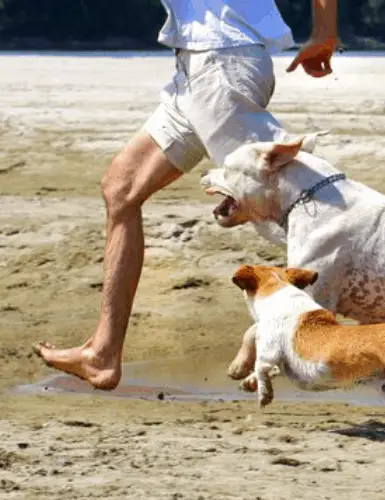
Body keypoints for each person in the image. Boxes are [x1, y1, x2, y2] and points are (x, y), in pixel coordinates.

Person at [33, 0, 338, 389]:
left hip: (221, 69)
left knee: (302, 212)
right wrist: (325, 33)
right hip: (197, 69)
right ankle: (102, 354)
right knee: (120, 190)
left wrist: (326, 34)